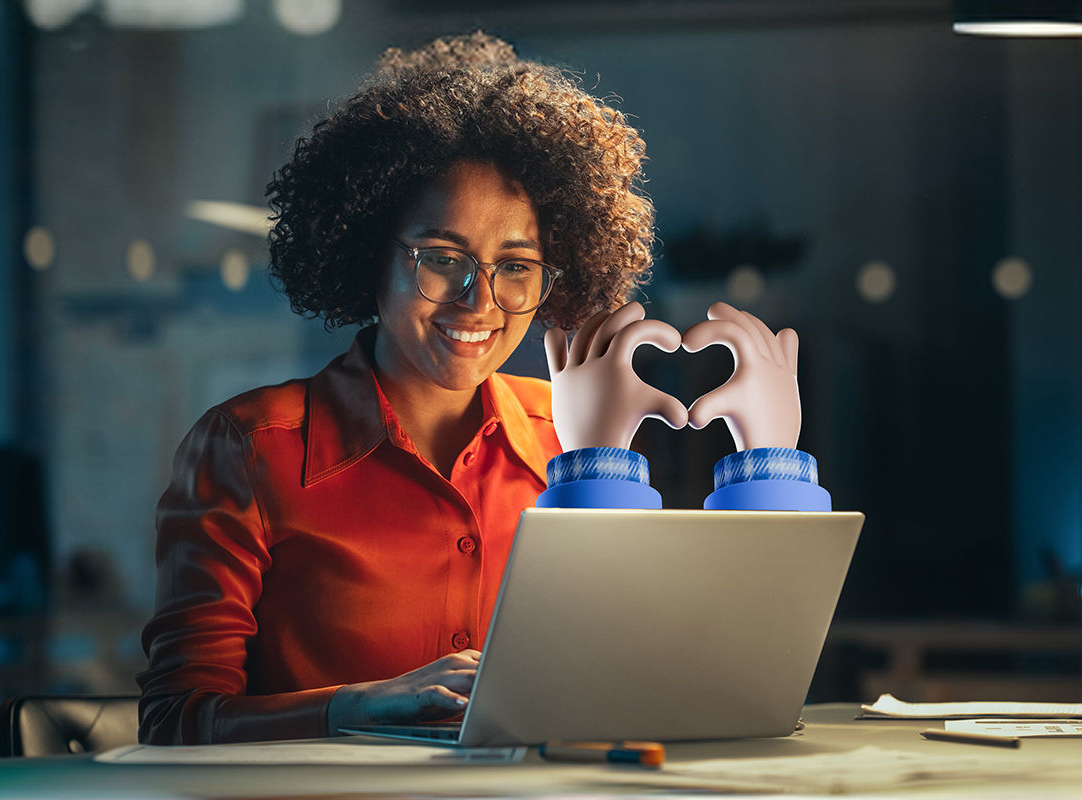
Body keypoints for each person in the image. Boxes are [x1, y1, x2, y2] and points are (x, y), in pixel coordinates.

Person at [138, 30, 826, 746]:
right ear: (370, 254)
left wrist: (768, 462)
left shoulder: (576, 442)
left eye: (517, 265)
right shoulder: (251, 449)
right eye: (442, 258)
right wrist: (348, 706)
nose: (479, 300)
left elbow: (661, 680)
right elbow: (173, 720)